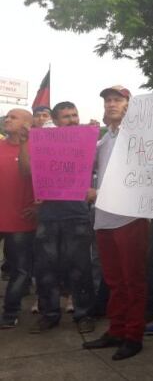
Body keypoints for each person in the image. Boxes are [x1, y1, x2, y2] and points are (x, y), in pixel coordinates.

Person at [82, 86, 148, 360]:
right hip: (104, 218)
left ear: (129, 105)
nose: (111, 104)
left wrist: (101, 192)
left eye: (117, 100)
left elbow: (140, 177)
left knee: (133, 280)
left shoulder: (139, 137)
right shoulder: (103, 141)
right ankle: (116, 329)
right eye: (108, 100)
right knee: (114, 280)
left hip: (130, 216)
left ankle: (133, 335)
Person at [19, 101, 96, 335]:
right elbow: (26, 170)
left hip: (77, 214)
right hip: (49, 216)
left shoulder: (87, 140)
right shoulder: (43, 142)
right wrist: (27, 140)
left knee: (81, 268)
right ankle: (49, 314)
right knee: (46, 269)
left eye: (75, 115)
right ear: (55, 120)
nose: (72, 120)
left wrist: (91, 136)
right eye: (66, 116)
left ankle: (84, 314)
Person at [0, 109, 36, 330]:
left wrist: (39, 205)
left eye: (13, 117)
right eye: (7, 116)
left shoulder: (36, 149)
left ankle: (10, 312)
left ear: (26, 123)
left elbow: (31, 174)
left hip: (21, 221)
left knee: (19, 270)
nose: (7, 119)